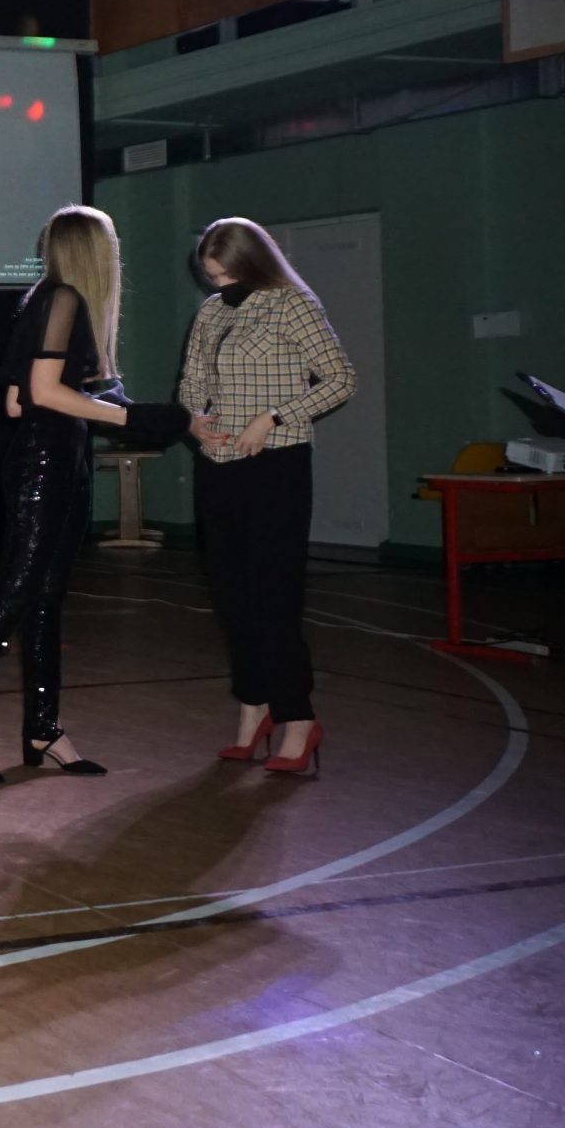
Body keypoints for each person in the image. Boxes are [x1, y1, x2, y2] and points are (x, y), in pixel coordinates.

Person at [0, 207, 198, 784]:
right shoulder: (61, 300)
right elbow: (41, 392)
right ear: (97, 252)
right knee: (12, 598)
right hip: (42, 465)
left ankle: (44, 730)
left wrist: (118, 409)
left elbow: (16, 402)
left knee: (46, 599)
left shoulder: (48, 301)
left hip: (57, 461)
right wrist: (131, 417)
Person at [181, 217, 357, 777]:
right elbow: (192, 382)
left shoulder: (292, 304)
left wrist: (274, 417)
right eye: (211, 275)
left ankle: (297, 717)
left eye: (226, 273)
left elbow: (341, 379)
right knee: (232, 597)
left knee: (273, 596)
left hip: (276, 464)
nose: (218, 284)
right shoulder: (211, 312)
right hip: (219, 467)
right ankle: (252, 708)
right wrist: (195, 420)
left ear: (253, 263)